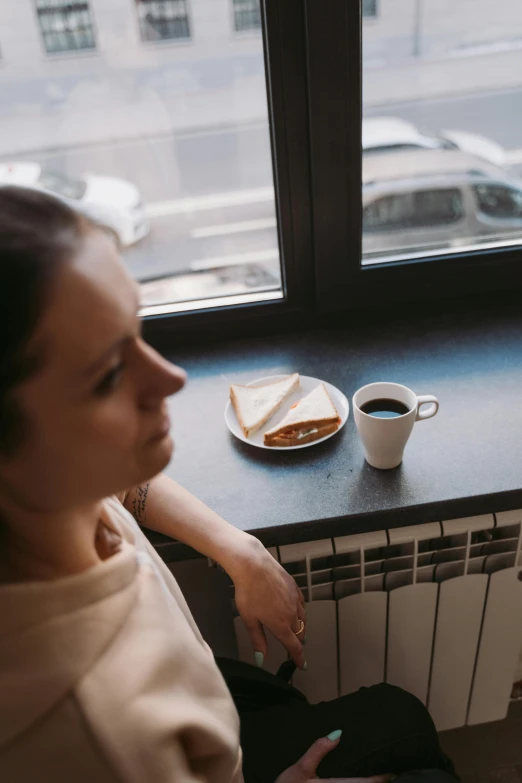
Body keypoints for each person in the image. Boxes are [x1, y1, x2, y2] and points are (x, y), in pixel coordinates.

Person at [0, 187, 457, 783]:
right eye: (109, 372)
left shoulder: (52, 496)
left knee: (403, 721)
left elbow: (123, 485)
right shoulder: (97, 734)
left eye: (138, 331)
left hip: (209, 693)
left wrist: (235, 548)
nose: (170, 377)